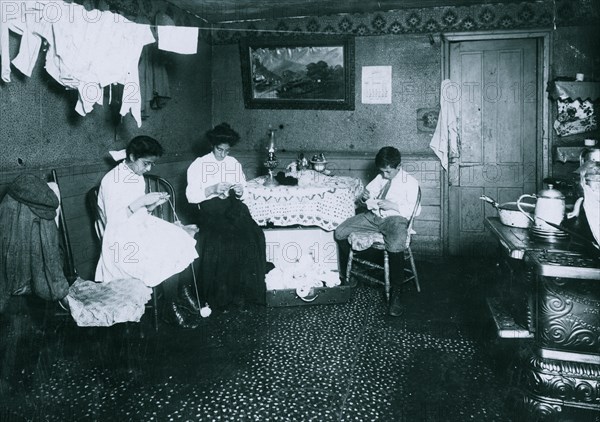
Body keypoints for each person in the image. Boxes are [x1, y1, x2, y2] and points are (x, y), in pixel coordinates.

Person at [94, 135, 200, 328]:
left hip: (138, 227)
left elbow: (137, 212)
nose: (148, 169)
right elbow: (114, 222)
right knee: (163, 252)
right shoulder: (112, 180)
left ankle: (181, 292)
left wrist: (150, 206)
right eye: (146, 163)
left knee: (180, 238)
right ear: (132, 156)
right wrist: (142, 201)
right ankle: (170, 305)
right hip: (119, 239)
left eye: (151, 164)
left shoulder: (136, 176)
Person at [186, 123, 266, 310]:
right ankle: (223, 297)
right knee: (224, 241)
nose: (222, 155)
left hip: (234, 208)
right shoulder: (199, 164)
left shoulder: (233, 163)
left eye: (226, 151)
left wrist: (239, 190)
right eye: (219, 149)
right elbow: (191, 197)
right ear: (212, 146)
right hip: (211, 210)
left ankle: (245, 294)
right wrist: (212, 188)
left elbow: (244, 192)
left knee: (253, 236)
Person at [334, 146, 420, 317]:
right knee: (340, 232)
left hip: (395, 219)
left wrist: (392, 205)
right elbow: (370, 193)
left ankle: (396, 295)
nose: (385, 175)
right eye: (382, 171)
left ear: (399, 166)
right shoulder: (381, 177)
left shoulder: (410, 182)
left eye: (388, 172)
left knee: (395, 245)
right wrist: (366, 196)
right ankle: (357, 271)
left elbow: (415, 211)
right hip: (374, 218)